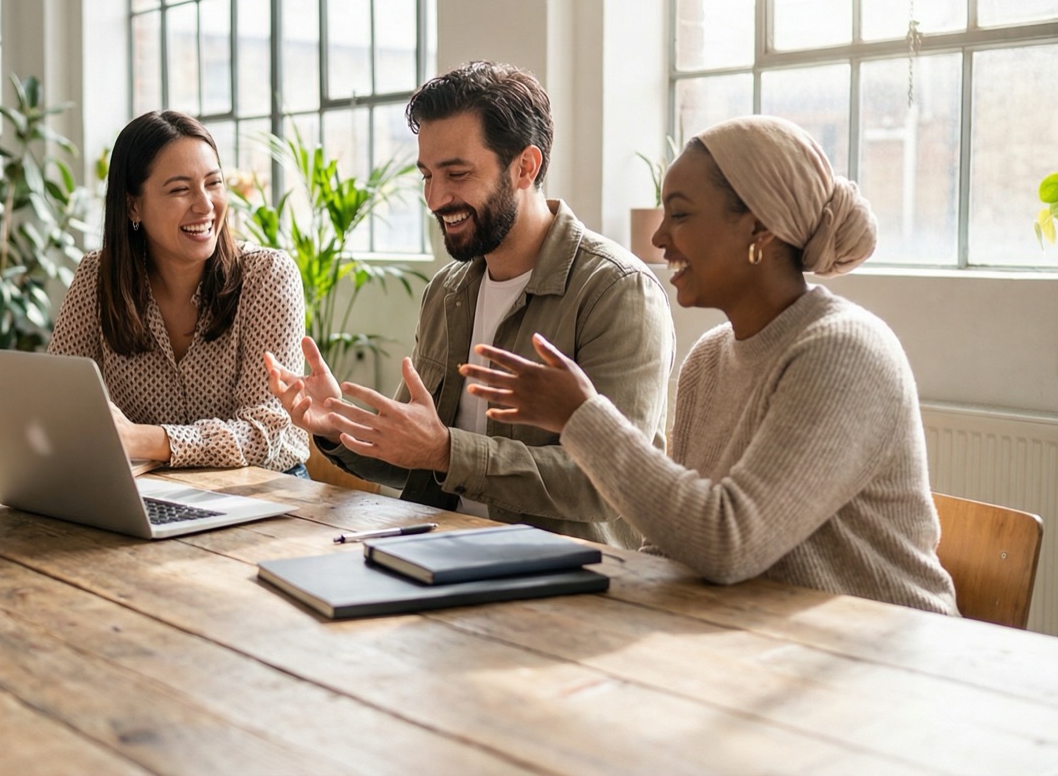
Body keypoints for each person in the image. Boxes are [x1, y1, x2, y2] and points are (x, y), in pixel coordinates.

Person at [461, 115, 958, 614]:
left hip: (886, 655)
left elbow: (728, 544)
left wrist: (579, 417)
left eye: (679, 215)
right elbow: (671, 545)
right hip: (758, 635)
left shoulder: (842, 351)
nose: (658, 238)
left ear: (759, 228)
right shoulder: (710, 358)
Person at [264, 61, 674, 545]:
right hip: (437, 549)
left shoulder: (616, 291)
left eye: (457, 174)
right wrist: (337, 423)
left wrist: (447, 452)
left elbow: (611, 485)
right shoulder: (447, 291)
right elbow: (413, 452)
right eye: (427, 176)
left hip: (562, 574)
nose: (435, 198)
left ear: (526, 167)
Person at [48, 110, 310, 475]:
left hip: (262, 488)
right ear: (133, 205)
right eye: (180, 189)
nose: (205, 205)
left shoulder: (267, 277)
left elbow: (264, 433)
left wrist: (147, 440)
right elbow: (59, 400)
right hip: (148, 487)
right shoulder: (97, 277)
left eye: (214, 183)